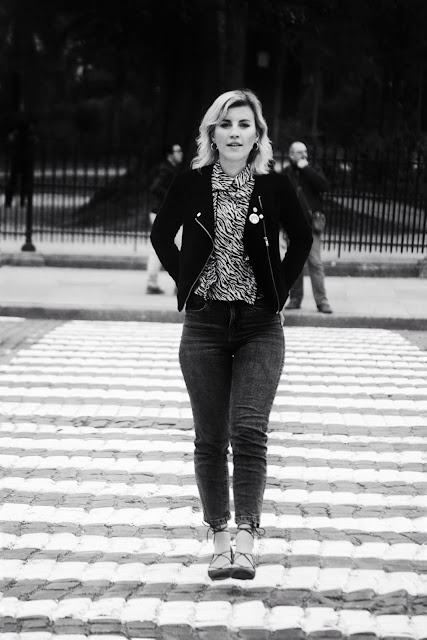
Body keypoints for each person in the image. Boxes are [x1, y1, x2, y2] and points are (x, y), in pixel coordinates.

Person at [151, 89, 312, 581]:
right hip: (204, 325)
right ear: (212, 134)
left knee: (248, 430)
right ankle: (219, 540)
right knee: (210, 438)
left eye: (244, 124)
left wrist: (279, 291)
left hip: (260, 325)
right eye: (226, 124)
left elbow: (302, 237)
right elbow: (161, 235)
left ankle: (246, 540)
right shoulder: (191, 183)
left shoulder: (274, 186)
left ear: (257, 135)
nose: (235, 133)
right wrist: (187, 280)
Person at [284, 141, 333, 313]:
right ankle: (295, 299)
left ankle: (322, 301)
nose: (304, 155)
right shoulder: (286, 173)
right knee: (296, 264)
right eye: (299, 152)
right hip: (293, 226)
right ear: (291, 155)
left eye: (305, 152)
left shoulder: (312, 170)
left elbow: (324, 186)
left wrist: (306, 169)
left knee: (315, 263)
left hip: (312, 225)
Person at [146, 143, 184, 293]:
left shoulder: (170, 169)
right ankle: (180, 284)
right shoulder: (166, 170)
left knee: (158, 248)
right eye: (177, 151)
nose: (181, 153)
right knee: (181, 246)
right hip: (164, 214)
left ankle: (152, 283)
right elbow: (155, 187)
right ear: (169, 155)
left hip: (161, 213)